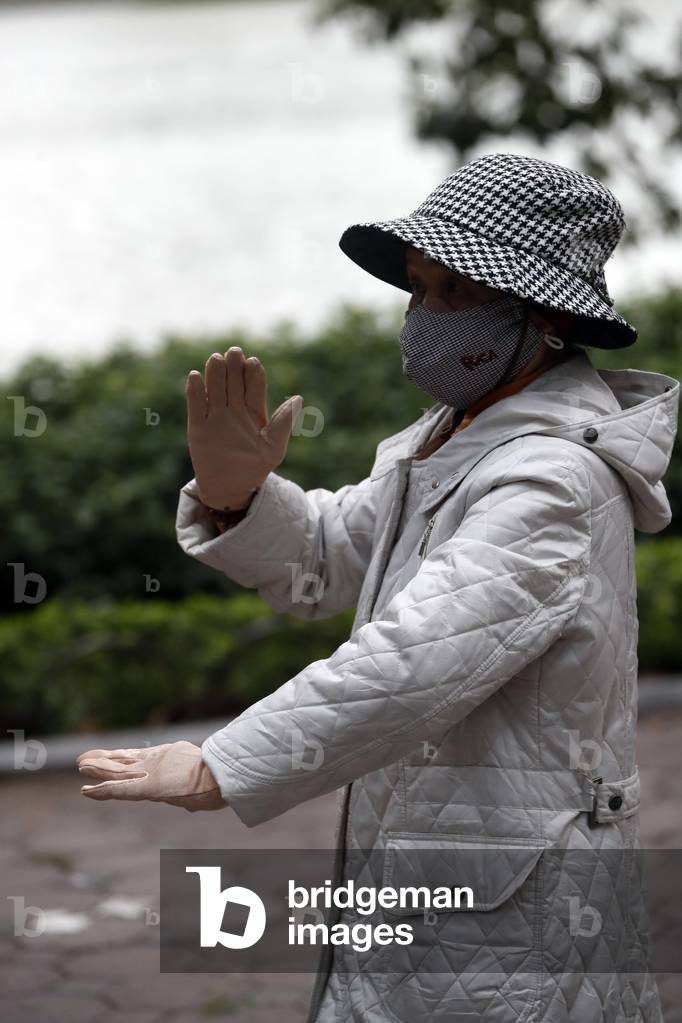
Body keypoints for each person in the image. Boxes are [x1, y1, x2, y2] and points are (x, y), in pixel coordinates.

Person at [77, 152, 679, 1023]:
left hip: (519, 906)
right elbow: (328, 553)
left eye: (452, 296)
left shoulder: (554, 483)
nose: (419, 318)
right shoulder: (449, 436)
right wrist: (235, 495)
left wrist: (225, 762)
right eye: (417, 289)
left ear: (544, 319)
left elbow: (412, 663)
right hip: (442, 868)